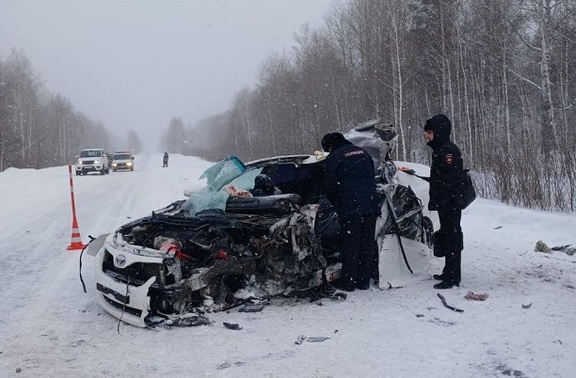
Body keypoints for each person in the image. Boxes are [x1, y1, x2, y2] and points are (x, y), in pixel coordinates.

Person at [321, 132, 381, 291]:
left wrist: (337, 205)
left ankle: (348, 283)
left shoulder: (334, 158)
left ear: (330, 146)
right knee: (366, 246)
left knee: (350, 247)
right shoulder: (363, 153)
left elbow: (330, 187)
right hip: (370, 207)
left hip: (351, 208)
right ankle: (363, 281)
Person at [423, 114, 464, 289]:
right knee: (448, 235)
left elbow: (451, 180)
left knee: (452, 237)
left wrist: (444, 199)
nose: (427, 136)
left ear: (438, 132)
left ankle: (453, 277)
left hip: (451, 203)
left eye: (430, 132)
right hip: (445, 202)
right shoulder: (440, 150)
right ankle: (448, 271)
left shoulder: (449, 151)